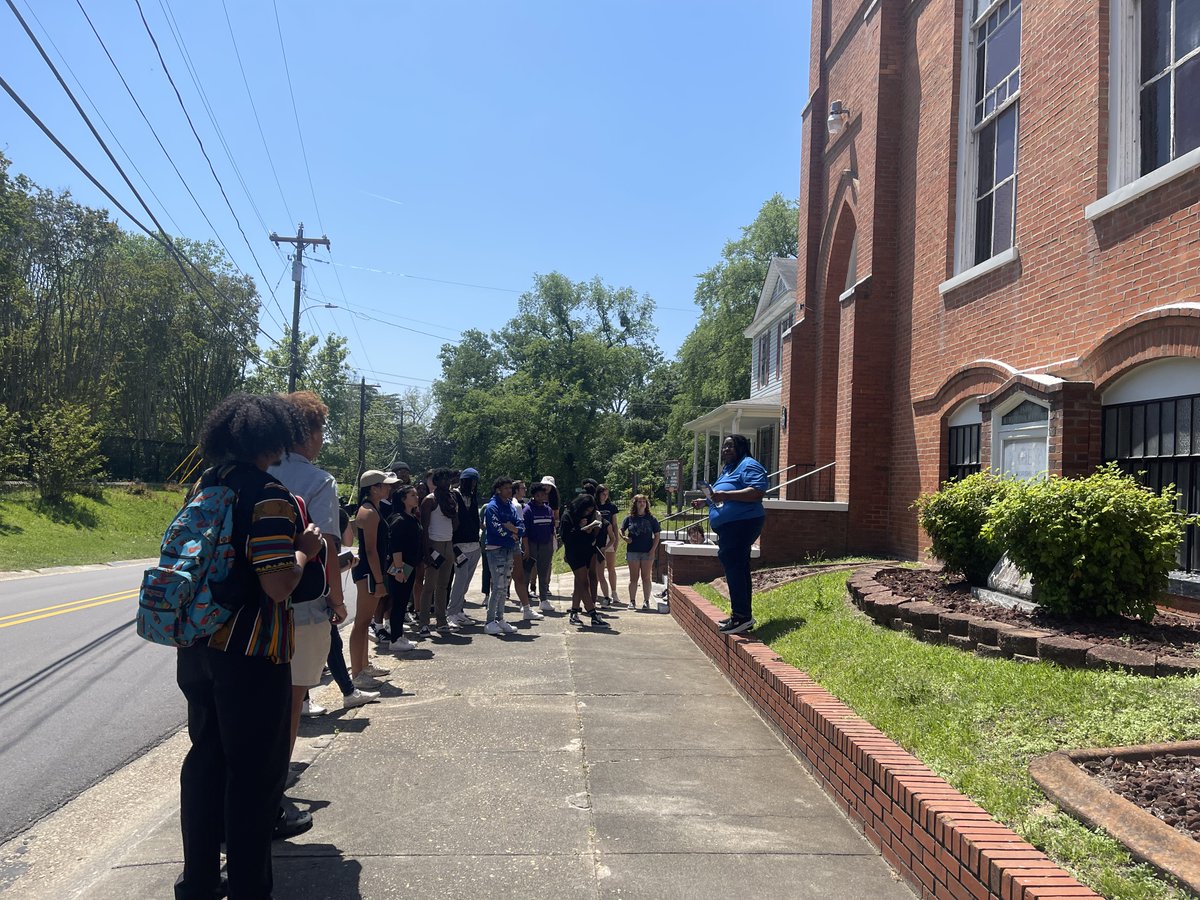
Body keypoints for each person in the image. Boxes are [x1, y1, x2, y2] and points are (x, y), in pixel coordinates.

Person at [174, 393, 321, 900]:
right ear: (274, 438)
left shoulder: (205, 486)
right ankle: (249, 889)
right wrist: (307, 551)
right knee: (255, 776)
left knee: (205, 760)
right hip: (253, 653)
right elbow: (279, 585)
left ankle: (196, 881)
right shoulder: (270, 495)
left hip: (196, 646)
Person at [693, 434, 767, 634]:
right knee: (737, 566)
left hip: (743, 522)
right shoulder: (728, 469)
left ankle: (741, 617)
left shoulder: (749, 464)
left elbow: (757, 492)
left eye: (730, 446)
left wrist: (724, 494)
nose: (725, 450)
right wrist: (706, 501)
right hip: (730, 526)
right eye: (724, 447)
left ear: (741, 447)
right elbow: (721, 495)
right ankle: (741, 615)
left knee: (734, 564)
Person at [350, 470, 397, 681]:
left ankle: (365, 665)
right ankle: (358, 673)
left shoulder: (373, 509)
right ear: (373, 488)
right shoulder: (368, 511)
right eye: (385, 485)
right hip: (369, 572)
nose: (389, 488)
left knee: (365, 620)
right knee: (361, 623)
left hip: (372, 571)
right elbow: (370, 551)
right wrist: (379, 581)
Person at [559, 493, 610, 629]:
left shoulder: (587, 516)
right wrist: (580, 528)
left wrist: (595, 526)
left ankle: (574, 612)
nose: (588, 513)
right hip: (574, 553)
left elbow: (592, 536)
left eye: (590, 511)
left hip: (586, 551)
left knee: (579, 584)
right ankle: (592, 614)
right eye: (586, 510)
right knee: (583, 582)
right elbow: (565, 537)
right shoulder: (568, 516)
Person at [418, 467, 458, 636]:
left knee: (443, 585)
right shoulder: (430, 500)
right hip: (434, 543)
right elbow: (424, 527)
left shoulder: (451, 498)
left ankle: (441, 620)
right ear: (435, 481)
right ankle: (424, 623)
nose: (446, 482)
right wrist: (427, 551)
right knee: (429, 586)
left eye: (448, 479)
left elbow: (456, 523)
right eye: (442, 479)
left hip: (448, 542)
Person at [384, 484, 422, 652]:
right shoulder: (398, 519)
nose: (416, 497)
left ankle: (398, 635)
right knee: (398, 602)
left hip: (410, 565)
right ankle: (395, 639)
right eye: (412, 495)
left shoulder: (411, 517)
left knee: (402, 601)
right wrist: (399, 570)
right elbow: (396, 547)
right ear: (403, 499)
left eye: (416, 494)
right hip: (401, 566)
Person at [482, 476, 521, 634]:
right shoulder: (492, 507)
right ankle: (490, 621)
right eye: (506, 488)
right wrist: (510, 532)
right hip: (495, 549)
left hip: (509, 548)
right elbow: (495, 526)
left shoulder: (510, 505)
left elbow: (519, 523)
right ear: (498, 490)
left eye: (510, 488)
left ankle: (500, 618)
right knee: (497, 585)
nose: (509, 490)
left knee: (504, 586)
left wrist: (514, 530)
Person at [448, 467, 482, 628]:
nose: (474, 485)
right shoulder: (454, 495)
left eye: (475, 481)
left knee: (466, 582)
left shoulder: (473, 497)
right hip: (459, 544)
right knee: (459, 581)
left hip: (474, 544)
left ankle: (459, 610)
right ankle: (452, 613)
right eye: (471, 481)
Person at [621, 494, 661, 610]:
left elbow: (657, 535)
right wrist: (624, 538)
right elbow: (621, 529)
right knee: (633, 578)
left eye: (644, 501)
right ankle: (632, 601)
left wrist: (653, 550)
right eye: (639, 502)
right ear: (635, 504)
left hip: (647, 552)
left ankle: (646, 601)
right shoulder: (629, 518)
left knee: (646, 577)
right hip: (633, 551)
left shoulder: (651, 519)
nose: (642, 503)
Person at [510, 480, 543, 621]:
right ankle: (496, 615)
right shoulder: (515, 505)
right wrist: (525, 545)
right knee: (512, 578)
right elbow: (520, 528)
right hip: (511, 545)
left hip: (514, 544)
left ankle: (525, 606)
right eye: (522, 488)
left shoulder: (519, 504)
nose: (525, 490)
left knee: (518, 576)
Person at [524, 482, 556, 611]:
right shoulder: (528, 510)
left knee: (543, 573)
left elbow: (551, 527)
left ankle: (543, 599)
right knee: (527, 573)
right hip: (531, 544)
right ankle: (524, 601)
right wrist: (526, 548)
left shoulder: (548, 509)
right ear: (533, 496)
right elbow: (524, 531)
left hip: (545, 544)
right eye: (538, 495)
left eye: (543, 495)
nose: (541, 497)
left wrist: (551, 542)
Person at [594, 484, 620, 606]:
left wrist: (616, 540)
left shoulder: (611, 506)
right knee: (599, 569)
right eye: (603, 493)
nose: (605, 496)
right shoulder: (594, 505)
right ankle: (603, 594)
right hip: (598, 538)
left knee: (611, 567)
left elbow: (615, 524)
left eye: (607, 494)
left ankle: (614, 593)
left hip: (609, 537)